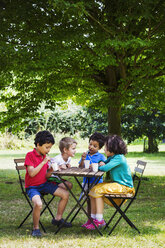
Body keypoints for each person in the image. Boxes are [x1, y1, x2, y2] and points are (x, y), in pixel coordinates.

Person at [25, 131, 72, 237]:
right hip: (32, 187)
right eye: (47, 147)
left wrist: (51, 169)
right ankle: (36, 228)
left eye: (50, 147)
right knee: (38, 203)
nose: (48, 150)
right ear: (38, 145)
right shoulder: (30, 155)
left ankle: (58, 219)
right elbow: (32, 173)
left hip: (44, 184)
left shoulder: (45, 156)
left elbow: (46, 176)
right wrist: (43, 162)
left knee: (65, 194)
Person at [83, 135, 135, 230]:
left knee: (98, 190)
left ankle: (99, 220)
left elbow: (105, 168)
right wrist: (101, 162)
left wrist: (98, 166)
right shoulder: (113, 157)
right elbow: (104, 162)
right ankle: (93, 219)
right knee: (93, 189)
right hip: (118, 184)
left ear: (112, 147)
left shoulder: (119, 158)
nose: (104, 149)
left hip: (125, 187)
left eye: (106, 147)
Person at [79, 132, 106, 227]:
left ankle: (96, 220)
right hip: (86, 182)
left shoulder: (101, 156)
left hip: (96, 182)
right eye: (90, 144)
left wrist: (100, 164)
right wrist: (82, 159)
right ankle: (90, 219)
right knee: (88, 201)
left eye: (95, 146)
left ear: (99, 148)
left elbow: (103, 164)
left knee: (94, 199)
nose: (91, 147)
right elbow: (80, 167)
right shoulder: (85, 155)